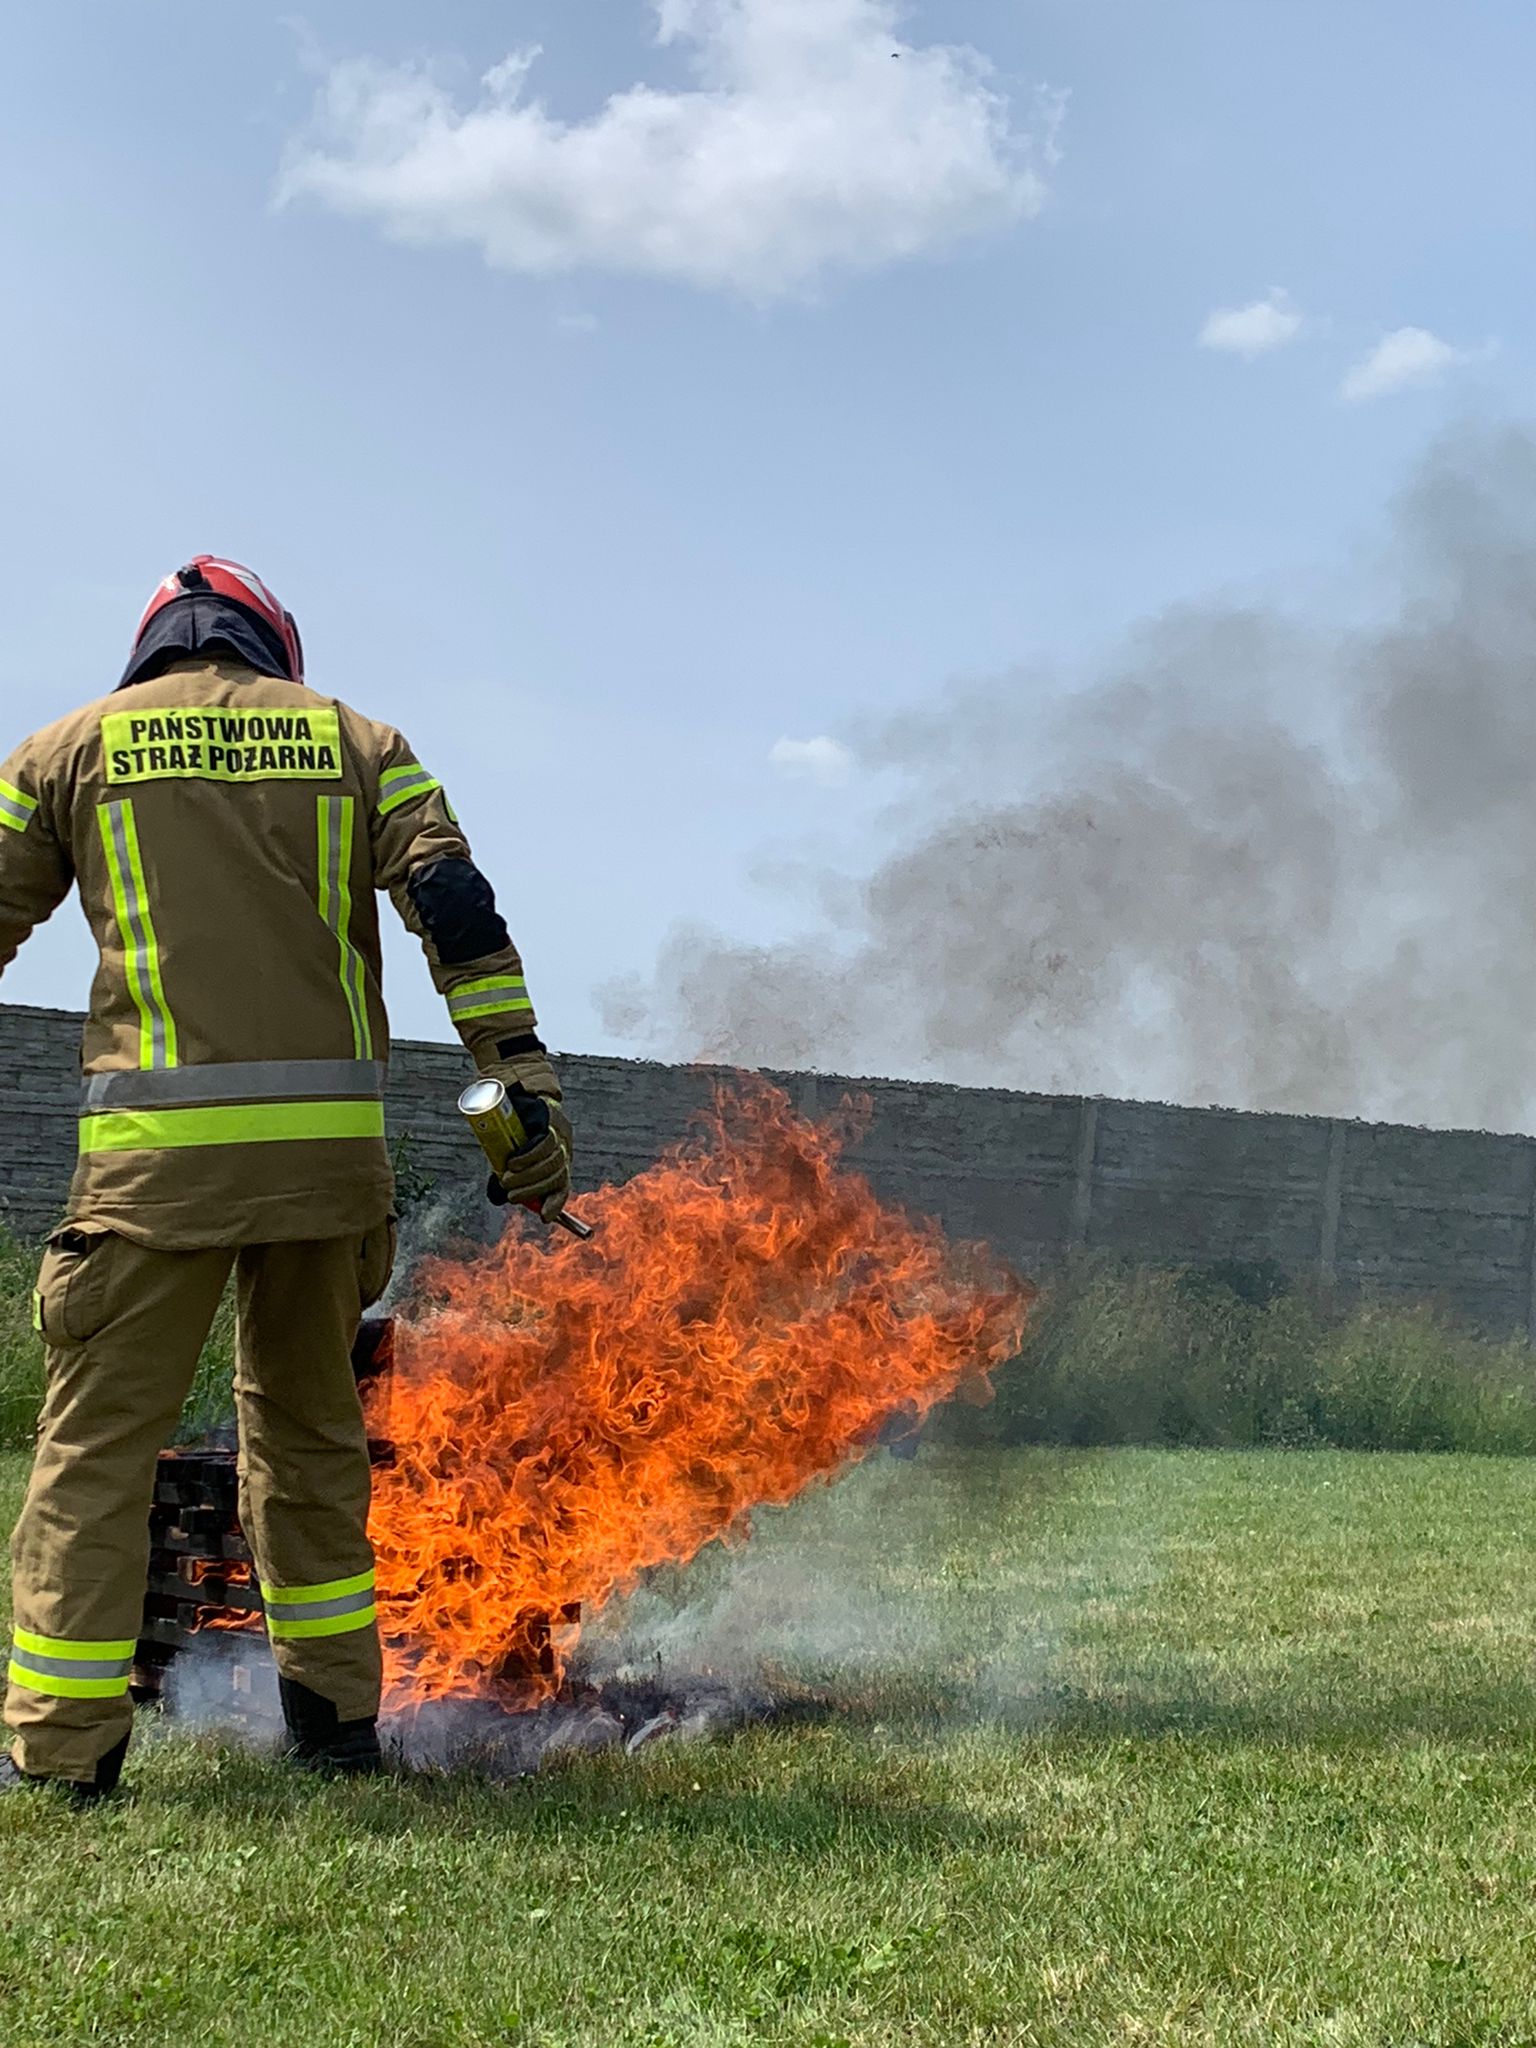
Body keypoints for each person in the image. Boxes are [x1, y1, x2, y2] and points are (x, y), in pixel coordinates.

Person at [0, 557, 571, 1801]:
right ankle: (334, 1728)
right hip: (324, 1170)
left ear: (151, 646)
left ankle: (62, 1758)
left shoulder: (66, 750)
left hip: (153, 1177)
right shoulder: (360, 744)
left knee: (96, 1452)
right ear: (273, 647)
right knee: (311, 1440)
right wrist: (517, 1070)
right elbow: (457, 906)